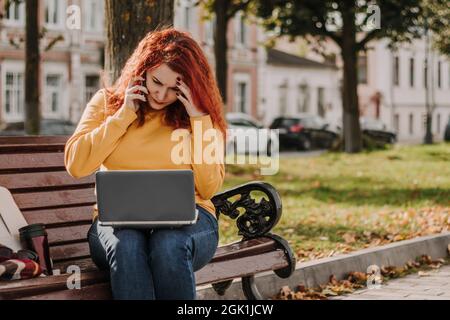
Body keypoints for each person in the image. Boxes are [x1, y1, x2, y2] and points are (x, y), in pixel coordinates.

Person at [64, 28, 227, 300]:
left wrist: (199, 120)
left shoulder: (198, 118)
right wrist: (124, 115)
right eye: (156, 82)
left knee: (168, 243)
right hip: (116, 225)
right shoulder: (107, 104)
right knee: (127, 244)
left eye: (174, 88)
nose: (162, 95)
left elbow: (208, 188)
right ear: (142, 71)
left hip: (192, 223)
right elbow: (76, 164)